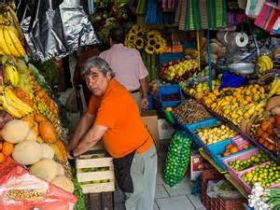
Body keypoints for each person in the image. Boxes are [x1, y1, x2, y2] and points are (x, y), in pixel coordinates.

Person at [68, 57, 157, 210]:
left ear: (108, 75)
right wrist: (70, 146)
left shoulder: (113, 97)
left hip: (138, 155)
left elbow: (93, 137)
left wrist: (73, 154)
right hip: (124, 155)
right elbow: (87, 118)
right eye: (87, 78)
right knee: (130, 193)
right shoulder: (98, 95)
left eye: (95, 76)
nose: (90, 82)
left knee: (139, 199)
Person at [99, 27, 149, 111]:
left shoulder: (103, 56)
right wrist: (145, 97)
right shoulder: (135, 53)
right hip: (133, 97)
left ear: (110, 40)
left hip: (113, 97)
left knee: (115, 124)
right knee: (133, 123)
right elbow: (142, 80)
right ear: (125, 39)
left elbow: (100, 81)